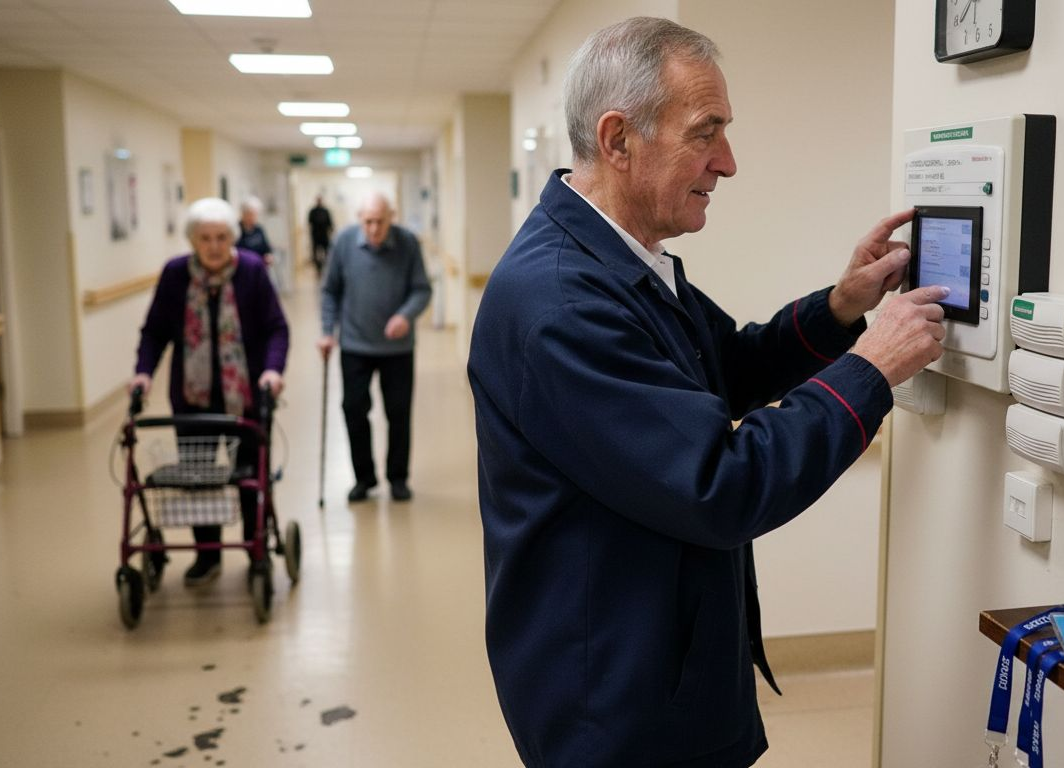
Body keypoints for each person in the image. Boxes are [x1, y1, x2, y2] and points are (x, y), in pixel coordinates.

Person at [466, 17, 948, 767]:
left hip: (655, 662)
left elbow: (726, 364)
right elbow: (718, 484)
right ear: (619, 139)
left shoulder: (620, 260)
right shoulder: (562, 304)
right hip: (615, 703)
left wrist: (842, 309)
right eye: (706, 132)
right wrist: (873, 371)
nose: (727, 162)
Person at [132, 197, 289, 586]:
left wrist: (272, 370)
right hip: (192, 397)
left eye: (221, 237)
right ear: (192, 240)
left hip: (246, 397)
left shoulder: (251, 271)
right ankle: (208, 556)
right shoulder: (175, 276)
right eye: (205, 238)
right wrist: (143, 374)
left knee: (250, 476)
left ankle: (254, 549)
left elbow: (276, 328)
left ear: (232, 238)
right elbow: (154, 331)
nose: (214, 246)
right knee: (198, 477)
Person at [317, 193, 432, 503]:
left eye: (380, 221)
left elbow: (422, 289)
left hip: (397, 348)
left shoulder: (407, 243)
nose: (374, 228)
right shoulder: (343, 243)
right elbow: (330, 291)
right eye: (368, 221)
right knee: (353, 409)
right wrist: (327, 332)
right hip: (354, 344)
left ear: (391, 217)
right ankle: (363, 478)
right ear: (359, 219)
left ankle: (397, 478)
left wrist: (405, 315)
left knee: (398, 413)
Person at [235, 196, 273, 265]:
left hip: (259, 266)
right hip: (243, 266)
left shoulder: (259, 230)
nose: (252, 217)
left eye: (255, 214)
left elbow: (267, 248)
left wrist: (268, 256)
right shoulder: (236, 230)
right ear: (243, 214)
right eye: (250, 214)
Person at [307, 195, 333, 277]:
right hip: (315, 236)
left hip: (324, 236)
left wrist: (331, 231)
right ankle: (318, 270)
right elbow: (309, 222)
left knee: (327, 253)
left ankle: (327, 269)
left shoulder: (325, 211)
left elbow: (330, 222)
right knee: (315, 254)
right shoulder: (312, 211)